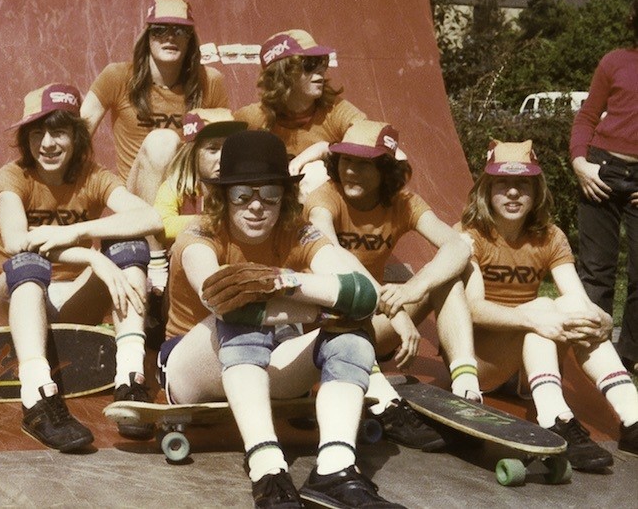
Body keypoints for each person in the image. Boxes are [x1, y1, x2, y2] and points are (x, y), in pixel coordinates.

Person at [162, 130, 403, 508]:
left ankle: (335, 469)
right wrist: (320, 306)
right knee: (244, 318)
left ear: (285, 198)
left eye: (270, 195)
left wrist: (285, 280)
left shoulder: (298, 232)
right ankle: (267, 466)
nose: (256, 207)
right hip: (191, 366)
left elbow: (365, 295)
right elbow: (223, 300)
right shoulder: (199, 233)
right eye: (243, 195)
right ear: (223, 197)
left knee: (352, 331)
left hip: (270, 359)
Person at [0, 84, 164, 451]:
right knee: (28, 261)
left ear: (76, 136)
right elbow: (18, 240)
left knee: (130, 245)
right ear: (25, 139)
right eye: (37, 132)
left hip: (72, 301)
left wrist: (79, 231)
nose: (48, 143)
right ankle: (36, 397)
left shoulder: (93, 176)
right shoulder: (13, 175)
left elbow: (150, 216)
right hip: (16, 296)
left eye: (59, 131)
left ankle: (130, 380)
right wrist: (91, 255)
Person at [462, 140, 638, 471]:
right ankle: (554, 416)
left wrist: (598, 319)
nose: (513, 193)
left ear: (536, 190)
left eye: (523, 184)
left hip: (529, 364)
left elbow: (577, 299)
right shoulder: (472, 235)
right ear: (486, 189)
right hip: (483, 360)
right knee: (543, 307)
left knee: (571, 305)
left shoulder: (550, 236)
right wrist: (531, 317)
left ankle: (633, 418)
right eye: (503, 183)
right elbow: (472, 308)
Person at [304, 120, 478, 451]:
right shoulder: (324, 197)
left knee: (447, 278)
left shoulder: (403, 202)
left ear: (385, 170)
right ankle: (387, 407)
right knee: (343, 306)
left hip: (374, 322)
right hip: (323, 327)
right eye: (346, 161)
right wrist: (392, 308)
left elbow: (457, 246)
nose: (351, 172)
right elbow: (333, 254)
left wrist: (417, 287)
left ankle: (467, 388)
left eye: (364, 164)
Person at [80, 0, 230, 204]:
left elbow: (222, 148)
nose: (170, 38)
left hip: (188, 190)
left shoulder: (210, 81)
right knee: (162, 142)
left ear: (190, 40)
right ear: (147, 36)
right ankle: (152, 232)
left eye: (180, 31)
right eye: (160, 30)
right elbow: (78, 136)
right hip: (138, 197)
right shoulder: (117, 76)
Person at [570, 0, 638, 374]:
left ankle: (628, 358)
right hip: (601, 170)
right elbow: (587, 116)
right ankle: (589, 353)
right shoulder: (614, 61)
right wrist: (581, 164)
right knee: (596, 270)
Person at [234, 30, 365, 195]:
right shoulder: (253, 117)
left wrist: (324, 149)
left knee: (316, 171)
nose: (320, 70)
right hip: (268, 207)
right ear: (282, 74)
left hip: (321, 209)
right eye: (309, 63)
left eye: (322, 61)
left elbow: (388, 151)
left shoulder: (336, 110)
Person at [151, 108, 246, 293]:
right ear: (192, 153)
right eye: (213, 149)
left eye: (229, 149)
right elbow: (162, 226)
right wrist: (219, 219)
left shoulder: (244, 187)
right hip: (184, 284)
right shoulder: (176, 187)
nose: (222, 158)